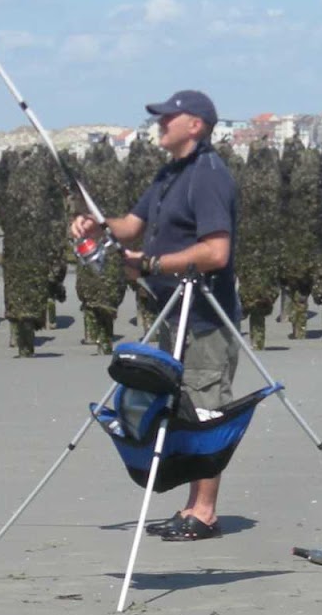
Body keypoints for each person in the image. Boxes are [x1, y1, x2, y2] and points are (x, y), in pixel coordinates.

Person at [71, 89, 240, 541]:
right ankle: (191, 506)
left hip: (206, 314)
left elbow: (216, 251)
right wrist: (99, 224)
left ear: (196, 125)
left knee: (206, 408)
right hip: (170, 310)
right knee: (178, 404)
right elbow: (132, 223)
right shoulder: (170, 174)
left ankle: (203, 512)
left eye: (169, 117)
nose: (160, 124)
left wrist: (151, 264)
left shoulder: (207, 175)